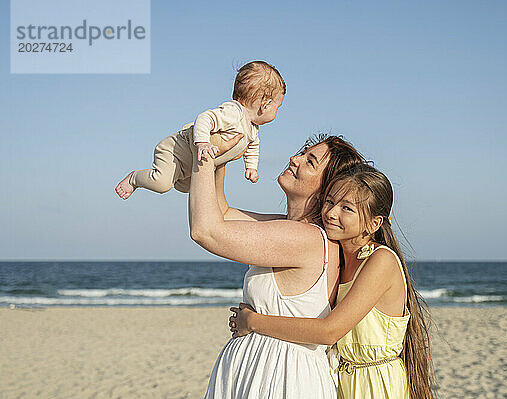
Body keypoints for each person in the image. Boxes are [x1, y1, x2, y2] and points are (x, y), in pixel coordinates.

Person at [230, 164, 435, 399]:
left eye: (346, 208)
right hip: (343, 381)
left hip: (377, 384)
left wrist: (253, 321)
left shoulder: (381, 261)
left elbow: (329, 331)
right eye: (329, 202)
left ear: (374, 223)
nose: (331, 213)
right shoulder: (337, 258)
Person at [188, 133, 366, 398]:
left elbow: (206, 231)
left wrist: (200, 149)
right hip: (263, 369)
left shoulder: (307, 238)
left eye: (310, 162)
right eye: (303, 153)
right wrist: (219, 155)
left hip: (281, 377)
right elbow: (222, 213)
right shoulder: (292, 228)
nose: (295, 159)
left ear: (327, 188)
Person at [115, 60, 286, 200]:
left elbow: (253, 148)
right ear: (266, 104)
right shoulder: (233, 112)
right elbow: (205, 118)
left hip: (189, 166)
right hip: (175, 151)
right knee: (162, 184)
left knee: (194, 188)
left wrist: (251, 167)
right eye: (277, 107)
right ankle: (134, 178)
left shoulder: (252, 129)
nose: (276, 112)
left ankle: (177, 177)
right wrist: (203, 143)